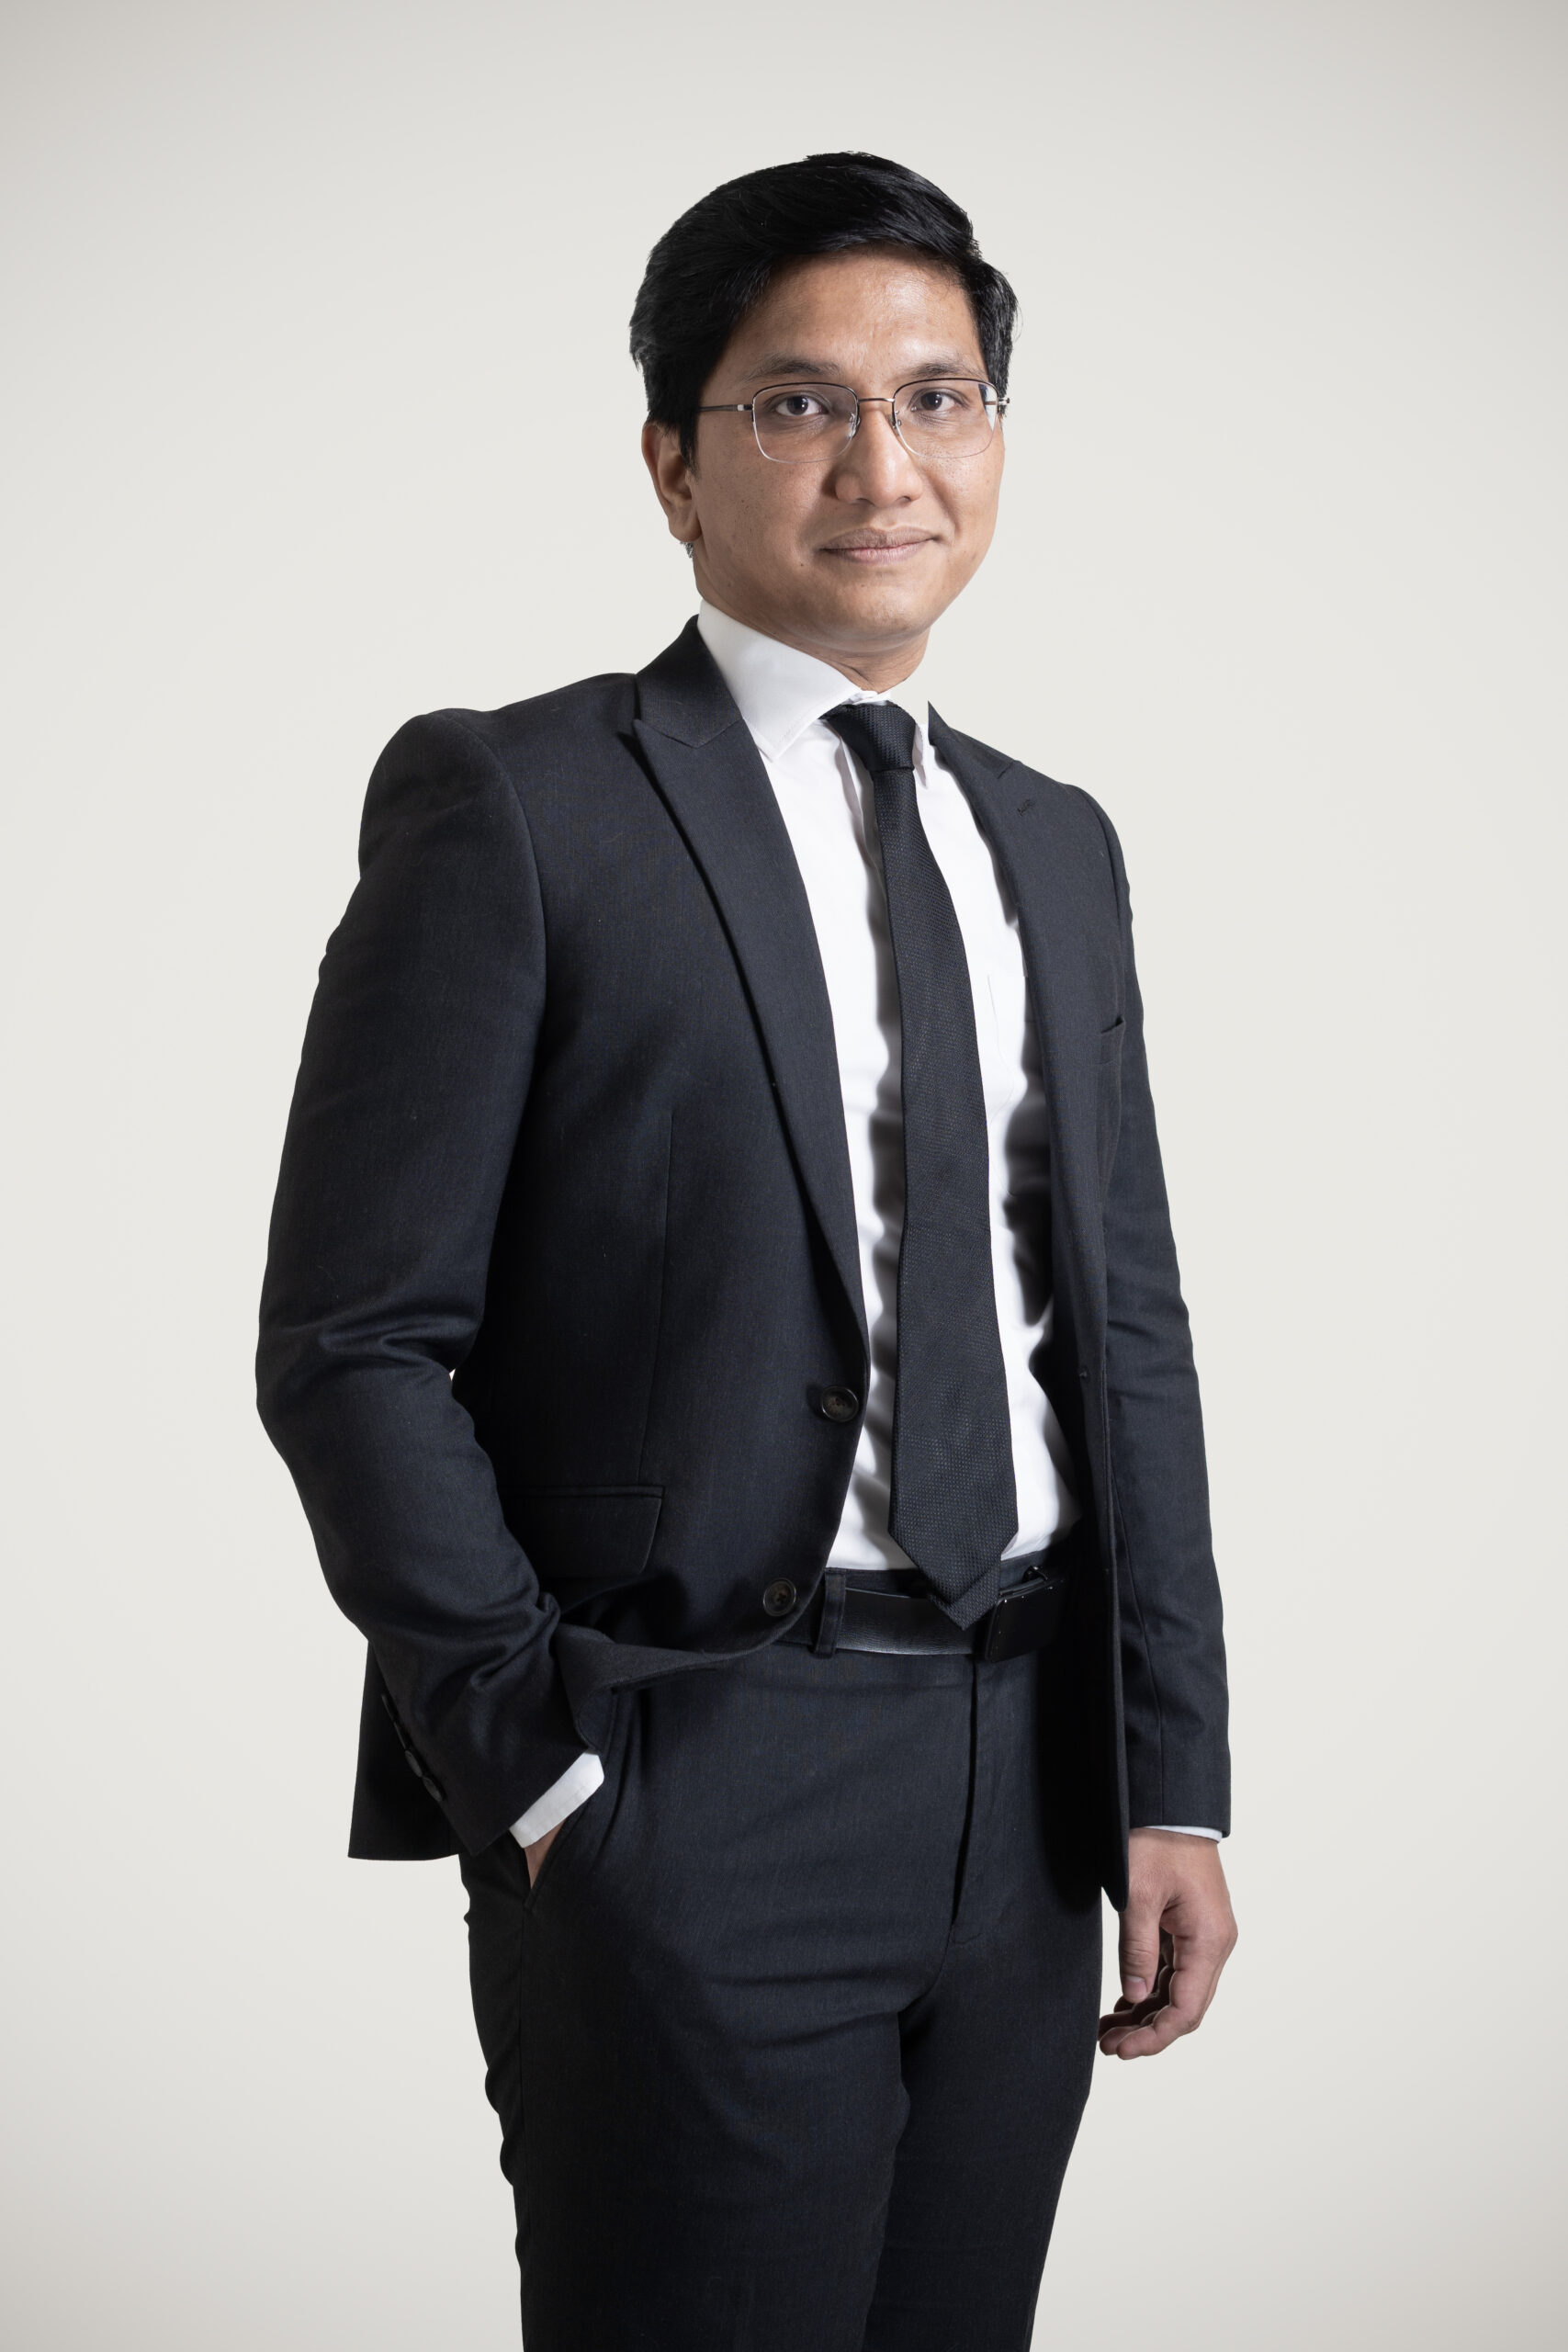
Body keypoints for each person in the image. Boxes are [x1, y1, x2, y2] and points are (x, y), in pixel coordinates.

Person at [257, 150, 1235, 2352]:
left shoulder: (1051, 842)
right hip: (690, 1770)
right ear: (672, 464)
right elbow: (351, 1341)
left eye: (938, 397)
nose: (884, 464)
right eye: (799, 403)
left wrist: (1167, 1769)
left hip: (1029, 1785)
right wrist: (542, 1766)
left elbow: (1123, 1330)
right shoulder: (518, 805)